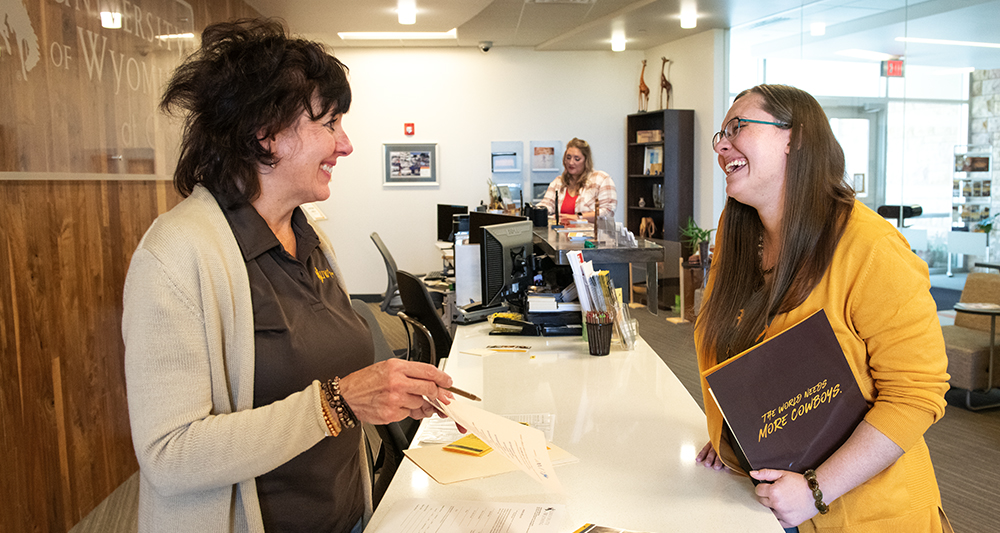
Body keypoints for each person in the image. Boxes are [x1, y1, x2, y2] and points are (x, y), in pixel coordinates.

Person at [122, 19, 455, 533]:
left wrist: (380, 395)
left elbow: (334, 380)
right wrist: (337, 402)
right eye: (330, 123)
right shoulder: (176, 255)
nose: (345, 146)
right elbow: (170, 455)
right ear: (266, 134)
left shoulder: (308, 235)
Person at [692, 84, 951, 533]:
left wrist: (817, 489)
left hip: (863, 514)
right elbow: (745, 358)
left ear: (795, 138)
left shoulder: (871, 248)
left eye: (738, 126)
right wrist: (735, 431)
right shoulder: (736, 237)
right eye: (720, 134)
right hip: (762, 501)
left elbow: (916, 394)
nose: (723, 144)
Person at [537, 138, 617, 222]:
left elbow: (608, 212)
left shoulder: (602, 179)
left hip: (592, 234)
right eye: (568, 158)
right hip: (562, 234)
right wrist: (534, 210)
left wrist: (578, 217)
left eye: (577, 159)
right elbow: (546, 204)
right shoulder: (558, 182)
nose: (571, 162)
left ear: (586, 161)